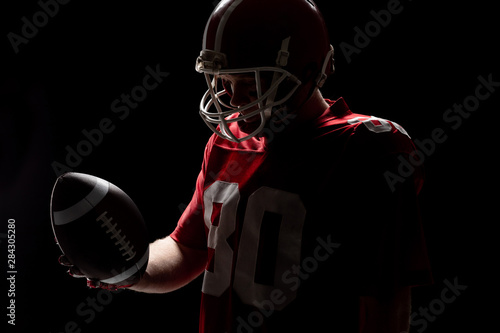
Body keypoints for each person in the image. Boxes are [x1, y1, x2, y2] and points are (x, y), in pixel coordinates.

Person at [61, 0, 432, 332]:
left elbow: (386, 300)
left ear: (306, 71)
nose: (235, 101)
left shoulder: (366, 149)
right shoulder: (225, 143)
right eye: (225, 81)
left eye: (252, 85)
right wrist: (128, 268)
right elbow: (188, 249)